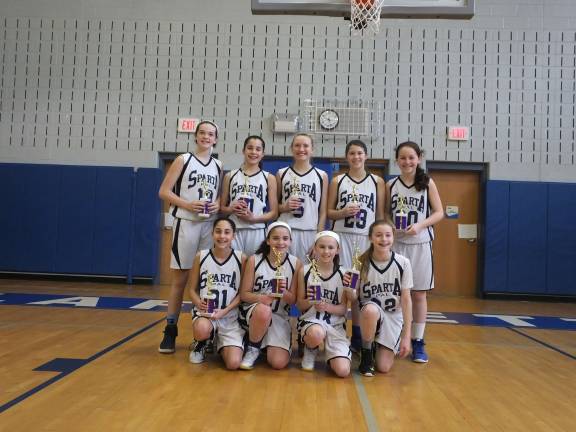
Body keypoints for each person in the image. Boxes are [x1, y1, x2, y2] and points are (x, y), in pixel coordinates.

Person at [157, 120, 222, 354]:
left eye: (210, 134)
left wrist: (216, 205)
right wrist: (188, 205)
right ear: (196, 136)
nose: (206, 136)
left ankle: (205, 332)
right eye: (202, 133)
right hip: (186, 224)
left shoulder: (218, 165)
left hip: (208, 226)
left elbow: (218, 198)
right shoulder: (183, 160)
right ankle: (171, 330)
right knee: (181, 280)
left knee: (207, 280)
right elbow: (163, 192)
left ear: (216, 139)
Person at [386, 141, 444, 363]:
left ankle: (418, 341)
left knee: (419, 294)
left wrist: (420, 226)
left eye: (411, 157)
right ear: (397, 160)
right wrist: (391, 225)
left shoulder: (427, 183)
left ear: (419, 158)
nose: (407, 161)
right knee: (396, 295)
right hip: (397, 245)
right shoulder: (391, 185)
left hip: (421, 243)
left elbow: (439, 213)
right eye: (403, 158)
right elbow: (384, 213)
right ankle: (395, 337)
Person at [328, 139, 385, 352]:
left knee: (361, 290)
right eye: (352, 153)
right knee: (344, 287)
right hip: (342, 237)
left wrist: (378, 242)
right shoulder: (338, 181)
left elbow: (379, 215)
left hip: (364, 239)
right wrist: (342, 213)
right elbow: (328, 212)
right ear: (347, 157)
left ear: (366, 155)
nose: (356, 157)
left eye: (360, 153)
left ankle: (360, 337)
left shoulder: (377, 181)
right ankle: (339, 331)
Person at [239, 221, 301, 370]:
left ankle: (263, 343)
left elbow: (294, 301)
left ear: (290, 241)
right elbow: (244, 294)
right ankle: (253, 348)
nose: (280, 242)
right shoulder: (255, 260)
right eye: (275, 238)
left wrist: (284, 291)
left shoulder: (296, 263)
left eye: (285, 238)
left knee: (278, 363)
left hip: (279, 316)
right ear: (268, 240)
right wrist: (261, 298)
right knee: (263, 310)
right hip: (255, 311)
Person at [355, 219, 413, 376]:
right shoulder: (360, 263)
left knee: (383, 367)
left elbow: (406, 301)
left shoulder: (403, 263)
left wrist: (407, 337)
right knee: (370, 310)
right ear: (370, 238)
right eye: (378, 235)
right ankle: (366, 352)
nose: (384, 239)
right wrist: (349, 286)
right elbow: (352, 297)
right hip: (370, 314)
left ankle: (377, 344)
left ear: (393, 237)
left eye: (388, 235)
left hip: (393, 316)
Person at [188, 217, 246, 370]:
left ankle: (221, 343)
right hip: (206, 314)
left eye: (227, 232)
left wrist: (225, 311)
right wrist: (198, 302)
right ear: (212, 233)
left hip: (230, 316)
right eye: (218, 231)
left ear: (233, 236)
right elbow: (191, 290)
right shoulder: (201, 256)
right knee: (201, 329)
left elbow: (243, 293)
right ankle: (201, 342)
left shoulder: (241, 258)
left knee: (233, 364)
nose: (222, 236)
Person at [296, 231, 351, 377]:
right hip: (312, 321)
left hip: (335, 325)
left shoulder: (344, 274)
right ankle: (310, 347)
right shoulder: (305, 271)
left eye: (331, 247)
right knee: (316, 333)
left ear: (337, 250)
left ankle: (332, 353)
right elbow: (300, 305)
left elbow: (343, 309)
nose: (326, 251)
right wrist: (311, 302)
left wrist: (327, 307)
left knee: (343, 371)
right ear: (314, 248)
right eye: (322, 247)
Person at [220, 135, 278, 256]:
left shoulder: (269, 178)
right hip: (234, 229)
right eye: (250, 148)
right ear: (243, 150)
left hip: (257, 229)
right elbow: (221, 209)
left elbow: (274, 213)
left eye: (258, 149)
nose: (253, 152)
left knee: (255, 268)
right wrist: (231, 209)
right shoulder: (230, 176)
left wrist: (253, 219)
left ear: (263, 154)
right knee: (234, 268)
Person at [277, 133, 328, 262]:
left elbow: (323, 212)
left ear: (312, 150)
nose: (301, 149)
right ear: (291, 149)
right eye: (297, 145)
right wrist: (285, 207)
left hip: (309, 232)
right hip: (285, 232)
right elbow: (274, 207)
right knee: (283, 273)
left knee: (307, 275)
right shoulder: (281, 173)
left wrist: (319, 239)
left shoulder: (321, 176)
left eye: (306, 146)